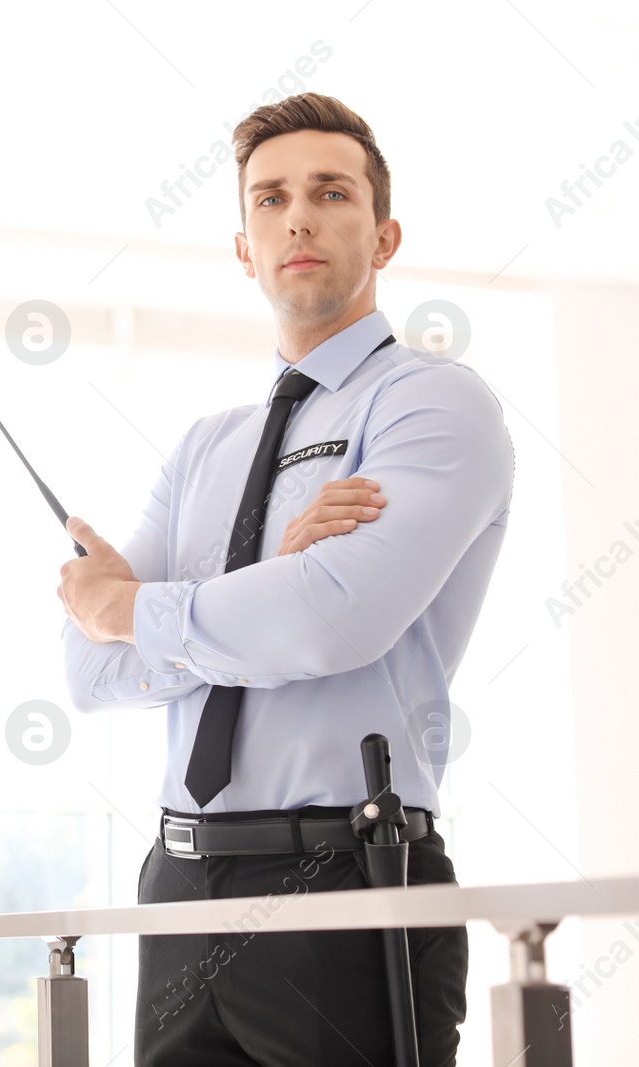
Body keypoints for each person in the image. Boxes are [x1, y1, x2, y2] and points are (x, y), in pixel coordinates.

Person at [57, 92, 514, 1066]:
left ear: (382, 233)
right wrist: (261, 581)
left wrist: (141, 610)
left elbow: (325, 624)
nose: (296, 217)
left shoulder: (434, 404)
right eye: (269, 199)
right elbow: (93, 673)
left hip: (345, 877)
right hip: (178, 880)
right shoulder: (201, 448)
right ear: (243, 246)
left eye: (329, 191)